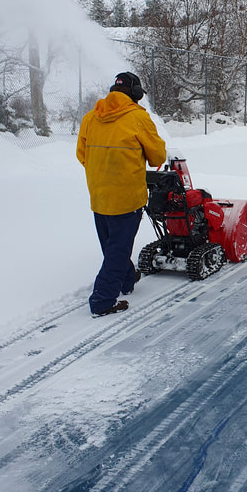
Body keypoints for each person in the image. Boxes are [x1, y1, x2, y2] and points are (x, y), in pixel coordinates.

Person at [77, 72, 166, 317]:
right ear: (136, 94)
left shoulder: (90, 118)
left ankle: (127, 279)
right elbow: (158, 157)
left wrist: (102, 171)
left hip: (98, 195)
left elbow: (82, 154)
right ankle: (102, 300)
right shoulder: (138, 118)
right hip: (127, 198)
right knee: (117, 250)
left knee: (113, 244)